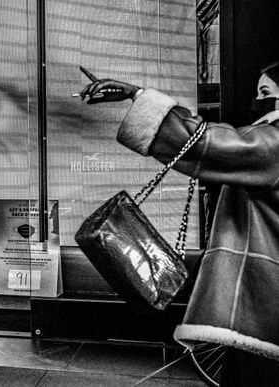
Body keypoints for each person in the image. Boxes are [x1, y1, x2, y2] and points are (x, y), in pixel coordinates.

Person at [79, 61, 279, 385]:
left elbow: (199, 144)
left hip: (266, 308)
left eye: (266, 93)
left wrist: (138, 95)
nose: (258, 102)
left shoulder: (274, 144)